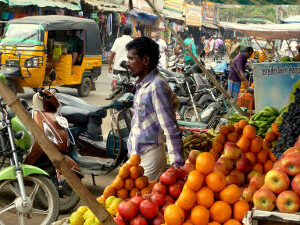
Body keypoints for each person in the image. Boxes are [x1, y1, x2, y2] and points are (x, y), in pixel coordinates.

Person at [125, 37, 184, 180]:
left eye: (131, 59)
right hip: (136, 158)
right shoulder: (142, 85)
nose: (127, 63)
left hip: (150, 158)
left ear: (145, 61)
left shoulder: (156, 86)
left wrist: (177, 166)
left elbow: (171, 128)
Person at [107, 25, 133, 99]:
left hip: (117, 67)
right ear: (130, 33)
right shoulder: (132, 41)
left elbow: (112, 53)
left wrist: (109, 64)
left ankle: (113, 94)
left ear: (122, 32)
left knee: (115, 84)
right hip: (127, 69)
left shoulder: (118, 40)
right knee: (127, 86)